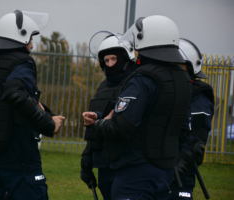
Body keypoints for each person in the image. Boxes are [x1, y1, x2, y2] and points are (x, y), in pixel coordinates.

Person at [86, 15, 192, 199]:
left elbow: (119, 128)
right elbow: (182, 129)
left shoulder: (142, 79)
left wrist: (99, 123)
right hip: (164, 171)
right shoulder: (183, 78)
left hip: (135, 174)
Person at [0, 10, 64, 200]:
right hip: (18, 157)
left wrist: (43, 110)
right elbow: (14, 94)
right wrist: (49, 123)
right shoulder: (22, 62)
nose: (32, 44)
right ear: (20, 35)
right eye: (30, 38)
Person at [80, 32, 136, 200]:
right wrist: (86, 163)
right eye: (106, 61)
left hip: (127, 164)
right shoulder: (103, 87)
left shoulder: (136, 84)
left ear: (125, 58)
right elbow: (93, 131)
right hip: (104, 164)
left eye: (114, 59)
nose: (110, 64)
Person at [169, 38, 214, 200]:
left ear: (189, 67)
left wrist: (175, 175)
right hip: (157, 169)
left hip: (181, 174)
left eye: (177, 66)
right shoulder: (167, 91)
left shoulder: (199, 96)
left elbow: (195, 141)